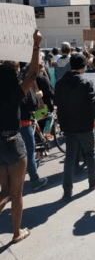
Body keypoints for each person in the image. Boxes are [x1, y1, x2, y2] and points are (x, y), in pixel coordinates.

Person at [0, 29, 42, 244]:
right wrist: (36, 45)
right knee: (16, 193)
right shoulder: (15, 93)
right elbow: (32, 74)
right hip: (13, 142)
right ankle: (17, 234)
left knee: (4, 190)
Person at [55, 53, 95, 200]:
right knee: (89, 154)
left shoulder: (60, 82)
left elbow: (57, 102)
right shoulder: (85, 82)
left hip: (68, 125)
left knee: (70, 158)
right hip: (84, 124)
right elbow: (93, 103)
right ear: (83, 66)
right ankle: (93, 181)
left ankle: (67, 191)